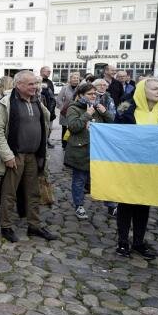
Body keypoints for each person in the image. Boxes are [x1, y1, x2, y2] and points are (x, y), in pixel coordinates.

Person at [0, 71, 58, 243]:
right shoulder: (6, 103)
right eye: (31, 84)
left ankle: (34, 226)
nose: (35, 87)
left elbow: (46, 125)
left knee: (33, 193)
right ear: (18, 85)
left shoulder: (37, 101)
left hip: (34, 155)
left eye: (35, 83)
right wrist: (7, 155)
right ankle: (6, 226)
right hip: (15, 155)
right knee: (9, 193)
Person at [114, 78, 158, 259]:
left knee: (143, 205)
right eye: (155, 88)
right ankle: (122, 241)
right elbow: (116, 137)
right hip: (129, 166)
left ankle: (139, 242)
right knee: (126, 203)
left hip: (152, 168)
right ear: (141, 91)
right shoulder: (125, 112)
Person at [64, 83, 115, 219]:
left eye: (94, 94)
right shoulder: (73, 108)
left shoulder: (98, 107)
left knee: (104, 178)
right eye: (90, 94)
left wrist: (105, 112)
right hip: (81, 150)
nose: (93, 96)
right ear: (81, 95)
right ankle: (79, 205)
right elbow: (74, 127)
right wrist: (87, 114)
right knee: (79, 179)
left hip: (100, 150)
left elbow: (113, 124)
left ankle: (111, 205)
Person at [56, 71, 80, 149]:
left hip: (76, 111)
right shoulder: (65, 88)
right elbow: (59, 99)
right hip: (65, 112)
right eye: (74, 78)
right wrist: (63, 108)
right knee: (65, 128)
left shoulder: (81, 88)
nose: (75, 79)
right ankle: (64, 144)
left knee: (75, 127)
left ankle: (73, 143)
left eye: (77, 78)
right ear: (70, 79)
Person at [39, 66, 57, 149]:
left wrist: (52, 108)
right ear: (42, 71)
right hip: (41, 108)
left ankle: (47, 140)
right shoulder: (37, 80)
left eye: (50, 72)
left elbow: (52, 96)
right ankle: (40, 142)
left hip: (50, 108)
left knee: (49, 127)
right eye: (48, 71)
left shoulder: (50, 82)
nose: (49, 73)